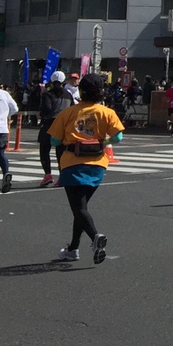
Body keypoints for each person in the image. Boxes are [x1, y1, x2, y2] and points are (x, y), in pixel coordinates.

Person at [47, 75, 124, 263]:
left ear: (80, 90)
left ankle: (95, 237)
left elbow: (54, 140)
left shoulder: (68, 113)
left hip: (72, 163)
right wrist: (101, 141)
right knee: (81, 210)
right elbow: (118, 138)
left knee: (79, 209)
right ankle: (73, 249)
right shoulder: (107, 112)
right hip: (97, 164)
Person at [37, 71, 78, 187]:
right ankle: (62, 176)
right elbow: (72, 109)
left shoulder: (48, 94)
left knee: (44, 150)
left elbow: (46, 109)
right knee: (61, 153)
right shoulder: (68, 94)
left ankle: (48, 174)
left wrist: (41, 114)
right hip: (64, 126)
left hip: (49, 124)